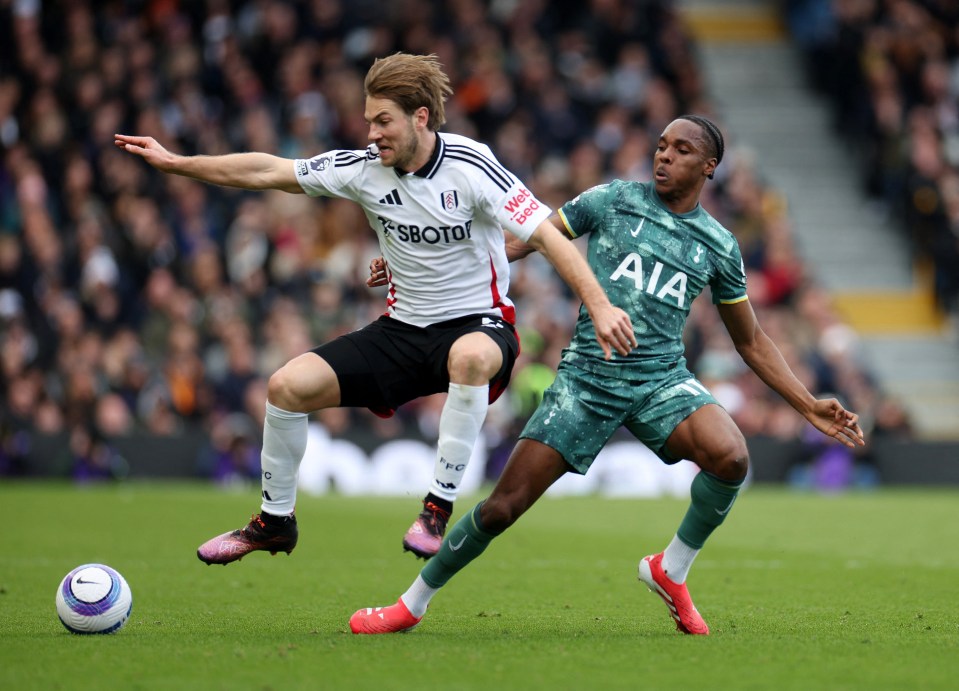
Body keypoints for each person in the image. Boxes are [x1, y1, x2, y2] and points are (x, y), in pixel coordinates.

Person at [349, 114, 865, 635]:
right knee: (503, 508)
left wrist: (806, 403)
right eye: (662, 146)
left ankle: (671, 569)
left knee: (731, 456)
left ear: (709, 167)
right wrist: (420, 261)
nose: (665, 155)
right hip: (586, 382)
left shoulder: (718, 245)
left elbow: (750, 339)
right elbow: (523, 241)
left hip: (661, 380)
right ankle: (411, 603)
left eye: (681, 150)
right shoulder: (613, 199)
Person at [114, 53, 636, 564]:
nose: (371, 133)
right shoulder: (363, 169)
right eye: (368, 121)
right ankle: (274, 522)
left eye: (383, 121)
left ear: (420, 118)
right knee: (285, 387)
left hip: (480, 325)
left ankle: (436, 508)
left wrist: (601, 306)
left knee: (470, 359)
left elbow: (549, 237)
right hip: (402, 330)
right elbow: (269, 170)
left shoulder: (471, 165)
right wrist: (178, 163)